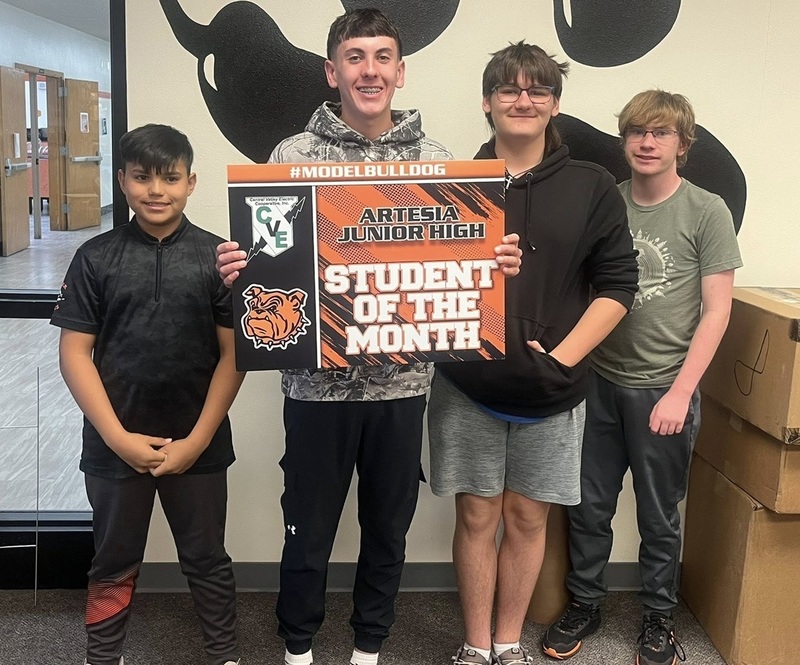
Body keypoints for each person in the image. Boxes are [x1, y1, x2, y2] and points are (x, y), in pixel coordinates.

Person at [215, 9, 521, 665]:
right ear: (333, 71)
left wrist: (491, 261)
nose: (370, 69)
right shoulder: (290, 158)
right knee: (307, 528)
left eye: (382, 56)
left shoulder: (442, 164)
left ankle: (369, 647)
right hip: (313, 387)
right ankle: (298, 646)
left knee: (389, 527)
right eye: (355, 56)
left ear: (400, 71)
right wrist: (241, 268)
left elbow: (462, 263)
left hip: (403, 387)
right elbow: (269, 262)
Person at [427, 42, 639, 665]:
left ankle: (509, 644)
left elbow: (618, 285)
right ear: (488, 102)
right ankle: (474, 646)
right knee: (476, 518)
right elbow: (410, 271)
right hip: (468, 383)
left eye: (537, 90)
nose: (523, 100)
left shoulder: (592, 184)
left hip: (554, 389)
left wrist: (565, 357)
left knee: (527, 519)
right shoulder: (450, 183)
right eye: (510, 90)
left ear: (553, 104)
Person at [542, 90, 742, 665]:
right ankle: (585, 602)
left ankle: (659, 618)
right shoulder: (607, 201)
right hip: (599, 380)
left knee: (658, 515)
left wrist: (681, 392)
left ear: (683, 142)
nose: (647, 143)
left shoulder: (707, 211)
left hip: (663, 387)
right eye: (636, 132)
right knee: (589, 506)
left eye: (660, 133)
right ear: (624, 139)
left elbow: (717, 310)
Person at [52, 124, 244, 665]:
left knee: (206, 557)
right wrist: (118, 439)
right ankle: (103, 656)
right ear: (122, 181)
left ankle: (225, 654)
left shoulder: (220, 259)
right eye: (142, 177)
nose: (156, 190)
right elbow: (74, 355)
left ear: (191, 183)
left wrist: (196, 440)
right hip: (113, 448)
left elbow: (235, 358)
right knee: (113, 559)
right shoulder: (94, 258)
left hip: (198, 444)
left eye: (170, 178)